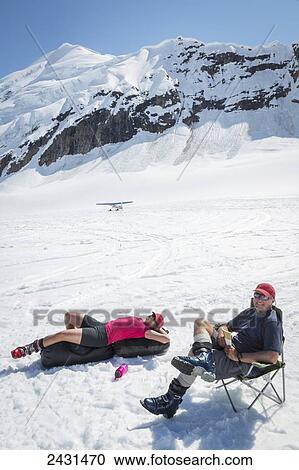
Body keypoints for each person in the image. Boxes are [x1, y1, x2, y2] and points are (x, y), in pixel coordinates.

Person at [140, 283, 283, 418]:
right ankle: (203, 358)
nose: (259, 300)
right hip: (231, 347)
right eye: (257, 295)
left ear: (272, 300)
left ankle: (171, 400)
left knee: (194, 355)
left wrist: (238, 356)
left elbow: (272, 356)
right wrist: (222, 333)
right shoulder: (251, 312)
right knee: (201, 322)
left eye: (264, 297)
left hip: (244, 362)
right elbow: (226, 326)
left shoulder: (272, 322)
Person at [11, 311, 169, 359]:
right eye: (151, 315)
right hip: (101, 326)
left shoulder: (147, 332)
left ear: (155, 324)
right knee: (70, 315)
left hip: (102, 337)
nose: (149, 316)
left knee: (63, 333)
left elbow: (166, 339)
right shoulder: (141, 320)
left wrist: (159, 329)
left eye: (153, 318)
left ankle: (30, 348)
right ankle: (72, 343)